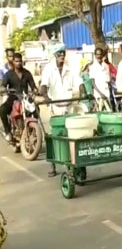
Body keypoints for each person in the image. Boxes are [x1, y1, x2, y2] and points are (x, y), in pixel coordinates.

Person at [40, 43, 78, 176]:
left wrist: (85, 94)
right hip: (55, 106)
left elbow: (79, 83)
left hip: (69, 105)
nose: (62, 55)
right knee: (55, 135)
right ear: (55, 55)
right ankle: (53, 165)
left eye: (63, 53)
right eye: (59, 53)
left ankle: (74, 163)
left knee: (72, 135)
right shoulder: (49, 69)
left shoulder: (70, 68)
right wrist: (45, 96)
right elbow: (44, 85)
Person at [0, 53, 37, 142]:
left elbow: (33, 86)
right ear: (13, 62)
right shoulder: (8, 74)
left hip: (25, 97)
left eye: (20, 61)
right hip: (13, 97)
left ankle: (35, 130)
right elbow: (2, 86)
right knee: (2, 109)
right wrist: (5, 89)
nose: (18, 63)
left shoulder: (27, 73)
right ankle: (8, 132)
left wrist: (35, 90)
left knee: (37, 110)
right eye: (16, 61)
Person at [88, 47, 112, 111]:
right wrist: (100, 94)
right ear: (95, 55)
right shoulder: (92, 67)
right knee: (100, 113)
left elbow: (108, 80)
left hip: (106, 93)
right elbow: (93, 83)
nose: (99, 56)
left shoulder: (106, 66)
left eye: (100, 54)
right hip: (99, 95)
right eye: (97, 54)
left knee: (109, 112)